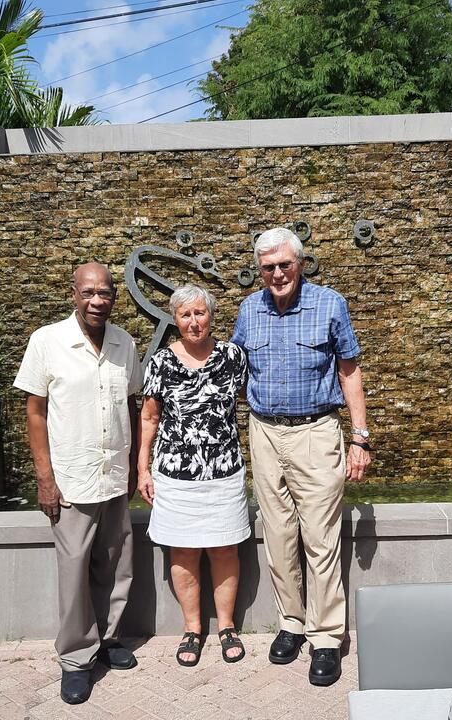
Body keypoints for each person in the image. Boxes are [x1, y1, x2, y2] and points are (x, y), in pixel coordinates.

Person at [231, 227, 371, 687]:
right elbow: (232, 371)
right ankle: (291, 623)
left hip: (316, 432)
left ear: (301, 263)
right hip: (265, 433)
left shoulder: (331, 304)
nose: (276, 274)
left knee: (321, 538)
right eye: (267, 267)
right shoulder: (249, 310)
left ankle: (326, 636)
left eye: (284, 265)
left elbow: (349, 372)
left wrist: (360, 437)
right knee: (278, 535)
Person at [13, 262, 142, 705]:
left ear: (113, 296)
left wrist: (132, 466)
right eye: (88, 292)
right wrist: (44, 478)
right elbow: (35, 411)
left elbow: (131, 406)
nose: (97, 300)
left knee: (114, 564)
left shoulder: (125, 343)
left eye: (104, 293)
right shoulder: (47, 341)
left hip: (112, 475)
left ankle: (106, 640)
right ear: (73, 293)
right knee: (74, 574)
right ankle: (75, 658)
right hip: (71, 478)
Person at [138, 283, 250, 667]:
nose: (193, 321)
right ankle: (192, 629)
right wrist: (142, 468)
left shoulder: (234, 357)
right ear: (175, 319)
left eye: (200, 313)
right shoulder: (161, 361)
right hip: (175, 474)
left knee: (224, 548)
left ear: (211, 316)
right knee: (183, 552)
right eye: (185, 315)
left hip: (224, 471)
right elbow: (150, 417)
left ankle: (227, 627)